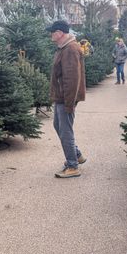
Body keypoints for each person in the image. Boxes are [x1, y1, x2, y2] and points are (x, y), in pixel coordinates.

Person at [45, 20, 87, 178]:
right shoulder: (64, 48)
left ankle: (73, 166)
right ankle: (76, 155)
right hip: (61, 97)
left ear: (60, 33)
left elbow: (72, 79)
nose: (51, 34)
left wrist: (69, 104)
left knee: (65, 130)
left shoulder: (70, 49)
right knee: (58, 126)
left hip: (66, 98)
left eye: (52, 32)